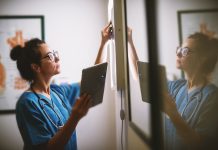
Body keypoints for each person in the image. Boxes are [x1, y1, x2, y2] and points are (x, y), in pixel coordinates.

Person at [10, 22, 112, 150]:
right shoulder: (27, 104)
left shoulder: (58, 92)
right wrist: (74, 118)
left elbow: (93, 80)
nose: (57, 58)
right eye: (50, 56)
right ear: (36, 67)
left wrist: (104, 43)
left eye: (54, 53)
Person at [127, 27, 218, 149]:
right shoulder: (176, 86)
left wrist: (173, 114)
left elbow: (201, 144)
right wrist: (129, 41)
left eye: (185, 50)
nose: (178, 53)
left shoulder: (212, 96)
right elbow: (140, 77)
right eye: (179, 49)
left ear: (202, 58)